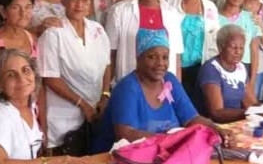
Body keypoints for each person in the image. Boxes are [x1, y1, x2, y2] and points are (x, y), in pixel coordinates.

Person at [92, 29, 236, 153]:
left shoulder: (169, 80)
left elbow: (192, 119)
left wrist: (216, 129)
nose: (160, 63)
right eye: (152, 57)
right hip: (119, 162)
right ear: (138, 58)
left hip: (162, 155)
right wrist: (171, 140)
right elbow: (126, 134)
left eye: (165, 57)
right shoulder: (127, 88)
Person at [38, 0, 111, 155]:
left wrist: (105, 95)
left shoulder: (98, 30)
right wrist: (82, 104)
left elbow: (107, 65)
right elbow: (50, 78)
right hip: (63, 118)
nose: (80, 5)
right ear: (64, 1)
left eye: (85, 0)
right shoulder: (53, 33)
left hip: (95, 114)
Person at [105, 0, 184, 83]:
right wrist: (105, 91)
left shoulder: (172, 14)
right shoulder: (118, 11)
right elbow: (110, 56)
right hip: (129, 86)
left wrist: (177, 90)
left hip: (164, 90)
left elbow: (176, 59)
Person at [194, 25, 263, 123]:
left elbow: (251, 104)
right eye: (233, 47)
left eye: (241, 48)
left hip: (238, 122)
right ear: (220, 47)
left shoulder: (241, 68)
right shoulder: (211, 69)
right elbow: (216, 113)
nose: (238, 52)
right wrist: (248, 113)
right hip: (215, 127)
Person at [165, 0, 220, 100]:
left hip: (200, 67)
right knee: (175, 101)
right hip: (174, 65)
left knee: (197, 105)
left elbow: (215, 39)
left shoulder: (209, 7)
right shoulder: (168, 3)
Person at [218, 0, 263, 94]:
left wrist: (252, 81)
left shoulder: (250, 18)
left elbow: (254, 51)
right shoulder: (214, 18)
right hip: (219, 66)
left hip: (244, 66)